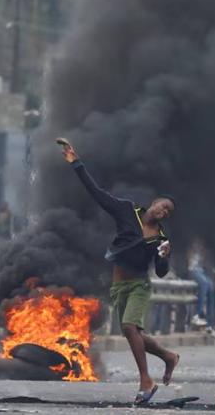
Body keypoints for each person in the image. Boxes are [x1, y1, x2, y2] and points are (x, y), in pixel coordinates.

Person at [61, 140, 179, 405]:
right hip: (118, 286)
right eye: (162, 205)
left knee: (128, 327)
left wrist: (164, 258)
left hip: (139, 285)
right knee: (133, 332)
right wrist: (76, 163)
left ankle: (145, 380)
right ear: (154, 203)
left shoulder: (161, 239)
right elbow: (97, 193)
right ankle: (168, 357)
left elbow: (160, 272)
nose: (163, 211)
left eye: (168, 212)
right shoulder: (127, 211)